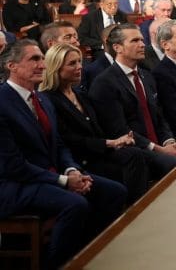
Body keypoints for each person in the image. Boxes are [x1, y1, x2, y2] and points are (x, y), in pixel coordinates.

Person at [0, 40, 127, 269]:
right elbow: (12, 166)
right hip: (13, 185)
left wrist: (71, 170)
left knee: (115, 192)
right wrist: (64, 181)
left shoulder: (41, 99)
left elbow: (58, 146)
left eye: (42, 58)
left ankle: (89, 255)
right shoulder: (2, 102)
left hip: (49, 176)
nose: (42, 64)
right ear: (12, 66)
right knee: (75, 204)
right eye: (34, 59)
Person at [41, 42, 151, 204]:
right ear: (55, 67)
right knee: (133, 159)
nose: (79, 67)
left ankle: (138, 206)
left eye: (80, 61)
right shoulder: (48, 99)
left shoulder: (81, 95)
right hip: (80, 159)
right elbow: (68, 139)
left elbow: (99, 127)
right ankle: (132, 210)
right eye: (72, 63)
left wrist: (119, 141)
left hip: (98, 153)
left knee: (135, 153)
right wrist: (109, 143)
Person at [88, 24, 176, 179]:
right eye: (135, 41)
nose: (142, 44)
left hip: (160, 144)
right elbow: (120, 130)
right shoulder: (104, 83)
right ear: (117, 47)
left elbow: (159, 116)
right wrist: (159, 149)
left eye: (142, 40)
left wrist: (168, 142)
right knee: (175, 164)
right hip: (136, 149)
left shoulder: (147, 76)